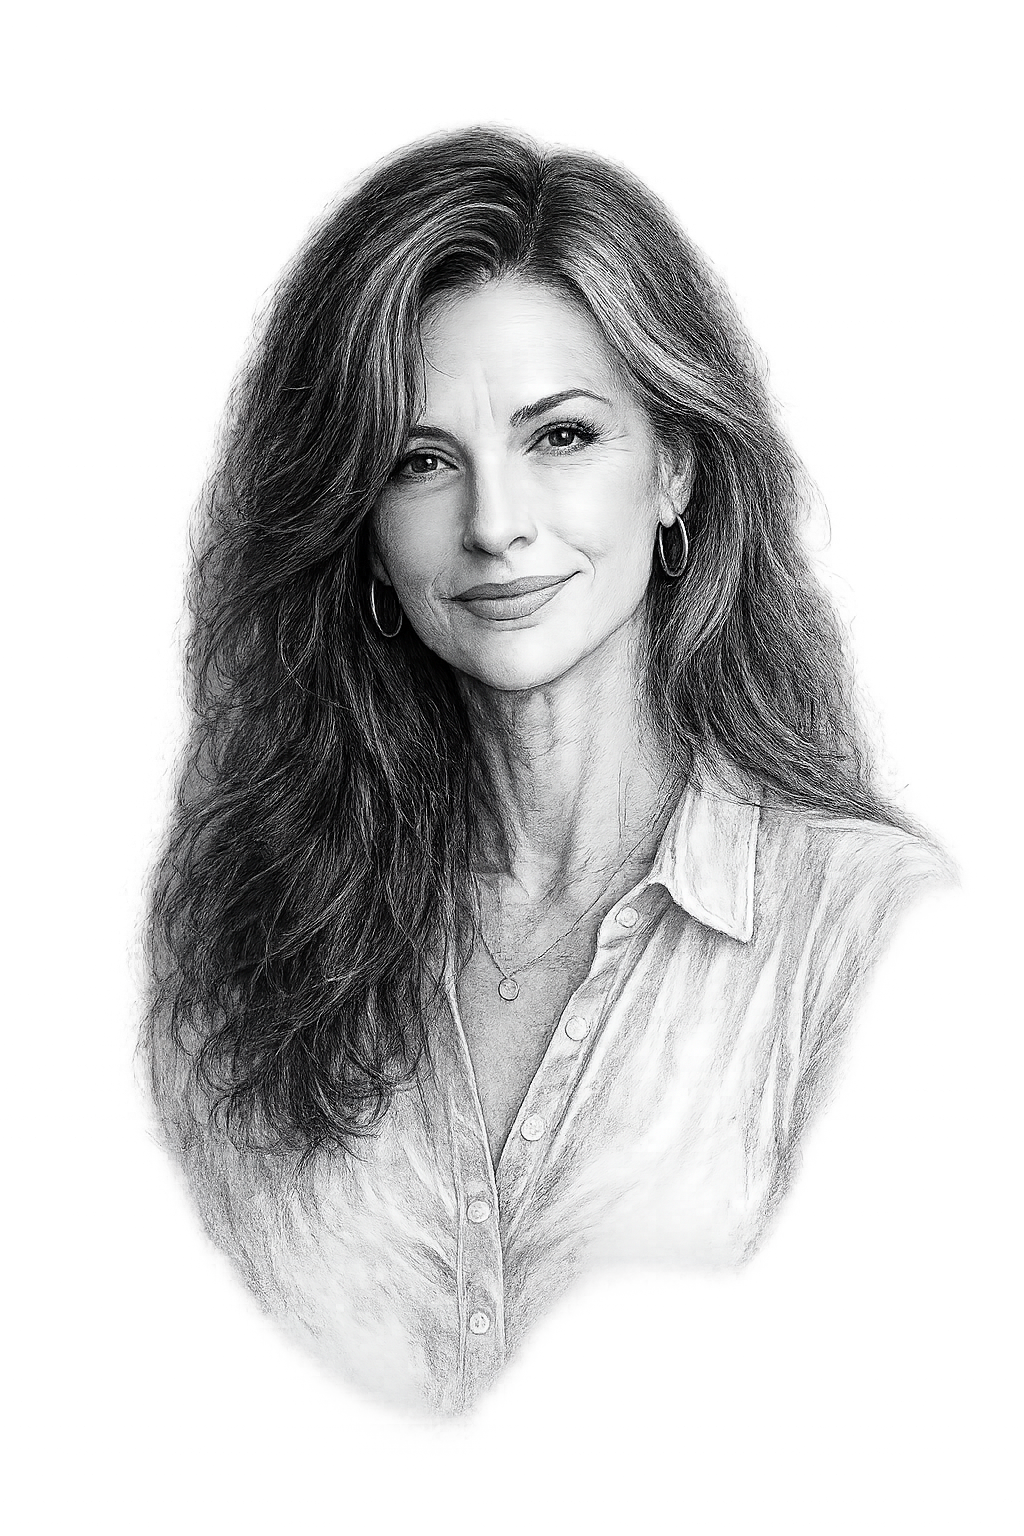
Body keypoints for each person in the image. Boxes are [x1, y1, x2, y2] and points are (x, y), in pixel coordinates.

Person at [122, 117, 968, 1448]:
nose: (494, 523)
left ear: (676, 466)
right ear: (359, 522)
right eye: (420, 459)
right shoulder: (249, 941)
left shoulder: (878, 937)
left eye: (561, 435)